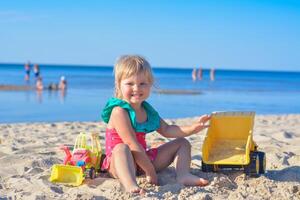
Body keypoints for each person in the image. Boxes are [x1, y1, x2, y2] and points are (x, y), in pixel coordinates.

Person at [101, 55, 210, 194]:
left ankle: (183, 175)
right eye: (130, 84)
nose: (136, 88)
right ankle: (130, 184)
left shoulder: (146, 110)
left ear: (150, 85)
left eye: (142, 83)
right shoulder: (119, 111)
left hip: (142, 160)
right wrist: (150, 170)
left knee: (183, 143)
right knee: (122, 148)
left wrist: (193, 128)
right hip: (119, 164)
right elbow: (131, 144)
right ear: (118, 84)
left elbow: (167, 129)